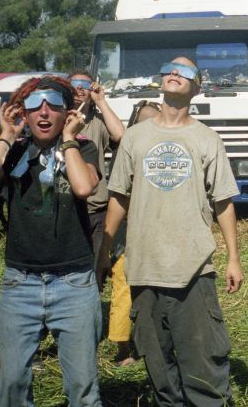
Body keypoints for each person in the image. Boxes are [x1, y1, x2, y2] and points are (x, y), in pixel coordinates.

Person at [100, 57, 243, 406]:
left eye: (187, 71)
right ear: (161, 79)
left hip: (193, 272)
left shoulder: (207, 138)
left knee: (203, 371)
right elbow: (119, 196)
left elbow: (223, 202)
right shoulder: (135, 137)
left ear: (196, 88)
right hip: (145, 270)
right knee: (160, 373)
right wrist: (102, 251)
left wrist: (234, 259)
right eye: (170, 68)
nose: (176, 73)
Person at [0, 76, 103, 406]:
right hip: (21, 283)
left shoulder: (83, 147)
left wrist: (69, 139)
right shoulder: (14, 153)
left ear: (68, 113)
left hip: (74, 282)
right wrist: (5, 136)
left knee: (82, 384)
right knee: (11, 381)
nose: (44, 114)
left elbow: (85, 187)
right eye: (34, 107)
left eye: (54, 106)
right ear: (23, 114)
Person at [107, 100, 159, 367]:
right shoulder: (127, 149)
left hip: (154, 230)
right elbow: (118, 196)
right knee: (125, 289)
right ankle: (125, 350)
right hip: (129, 231)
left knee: (142, 291)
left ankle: (143, 346)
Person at [67, 69, 125, 267]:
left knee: (95, 267)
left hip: (97, 208)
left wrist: (101, 101)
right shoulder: (57, 118)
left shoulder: (97, 121)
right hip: (68, 206)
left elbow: (120, 136)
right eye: (75, 84)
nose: (80, 88)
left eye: (86, 85)